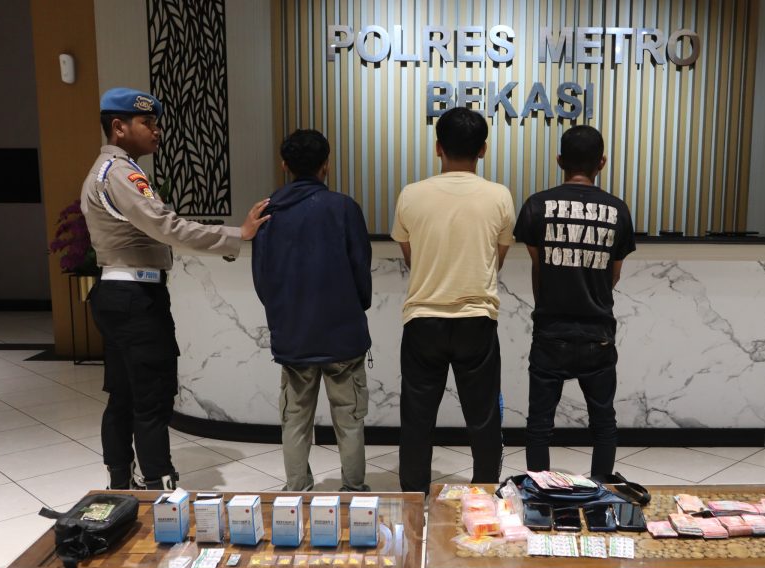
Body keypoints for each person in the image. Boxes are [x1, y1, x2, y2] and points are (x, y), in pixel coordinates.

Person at [82, 88, 270, 491]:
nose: (157, 131)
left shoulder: (103, 170)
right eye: (147, 123)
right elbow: (167, 227)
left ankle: (121, 483)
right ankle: (157, 489)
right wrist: (237, 235)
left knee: (123, 395)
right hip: (136, 298)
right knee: (152, 397)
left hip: (116, 294)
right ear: (118, 127)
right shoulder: (121, 172)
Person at [391, 107, 515, 494]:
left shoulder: (411, 194)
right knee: (483, 417)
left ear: (438, 147)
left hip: (422, 320)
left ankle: (414, 500)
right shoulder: (499, 196)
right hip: (477, 319)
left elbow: (411, 257)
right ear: (483, 149)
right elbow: (497, 259)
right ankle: (484, 497)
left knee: (417, 418)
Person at [251, 129, 372, 492]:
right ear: (326, 165)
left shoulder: (267, 212)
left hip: (294, 336)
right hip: (343, 335)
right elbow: (360, 269)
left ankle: (297, 490)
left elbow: (262, 279)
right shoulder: (344, 208)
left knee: (295, 418)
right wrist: (356, 306)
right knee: (349, 418)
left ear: (284, 165)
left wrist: (283, 314)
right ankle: (353, 491)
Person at [513, 125, 635, 478]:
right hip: (598, 331)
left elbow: (539, 265)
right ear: (602, 162)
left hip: (550, 329)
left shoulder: (537, 205)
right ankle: (602, 491)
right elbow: (614, 274)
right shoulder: (617, 210)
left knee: (539, 424)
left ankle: (541, 495)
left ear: (559, 160)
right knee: (604, 423)